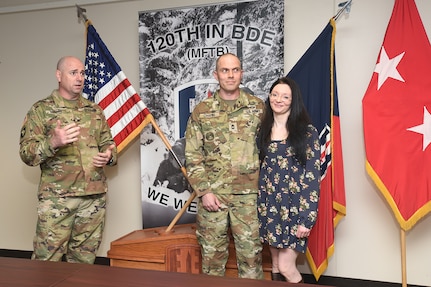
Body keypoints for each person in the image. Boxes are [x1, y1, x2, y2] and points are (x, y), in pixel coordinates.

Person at [19, 56, 117, 264]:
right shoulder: (41, 110)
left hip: (93, 198)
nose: (80, 77)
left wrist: (109, 155)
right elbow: (27, 153)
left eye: (82, 73)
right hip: (58, 198)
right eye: (74, 73)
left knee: (84, 264)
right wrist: (52, 142)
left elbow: (109, 143)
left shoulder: (94, 111)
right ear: (59, 75)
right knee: (46, 262)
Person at [185, 53, 264, 279]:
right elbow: (192, 154)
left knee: (251, 260)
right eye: (225, 70)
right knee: (212, 263)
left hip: (248, 198)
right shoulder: (202, 111)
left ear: (242, 73)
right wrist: (205, 191)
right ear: (216, 75)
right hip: (213, 197)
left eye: (235, 70)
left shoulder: (258, 109)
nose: (230, 75)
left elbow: (269, 149)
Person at [257, 77, 320, 283]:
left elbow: (312, 179)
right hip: (269, 209)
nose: (279, 100)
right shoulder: (262, 132)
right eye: (275, 94)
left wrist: (306, 219)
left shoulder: (307, 133)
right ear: (269, 97)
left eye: (285, 96)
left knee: (286, 266)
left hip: (294, 211)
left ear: (294, 101)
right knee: (274, 265)